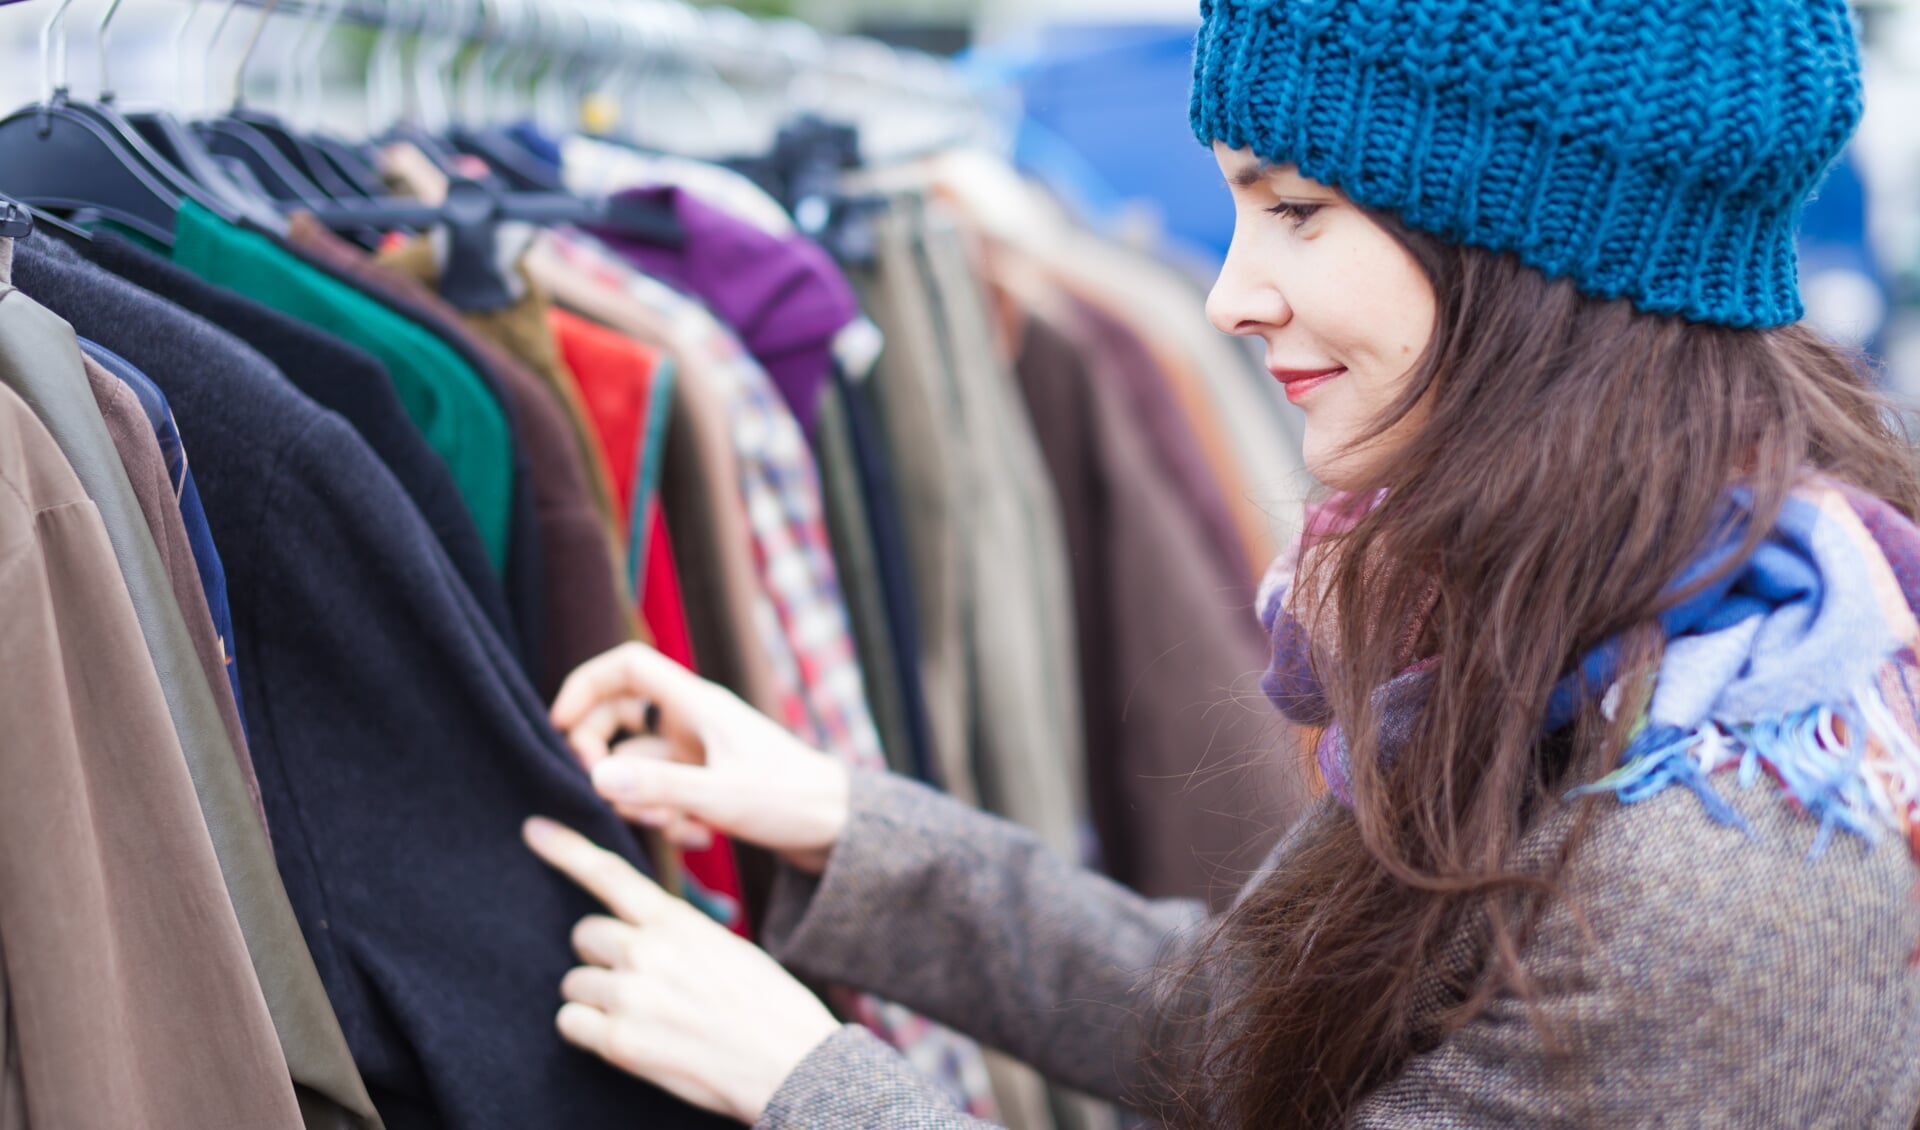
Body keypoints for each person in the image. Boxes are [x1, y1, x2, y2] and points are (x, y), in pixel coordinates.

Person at [520, 0, 1920, 1125]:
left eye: (1297, 208)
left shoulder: (1716, 863)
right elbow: (1262, 1038)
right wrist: (846, 819)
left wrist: (808, 1082)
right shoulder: (1582, 623)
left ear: (1530, 238)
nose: (1227, 291)